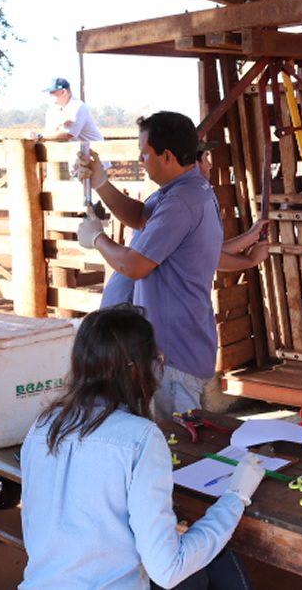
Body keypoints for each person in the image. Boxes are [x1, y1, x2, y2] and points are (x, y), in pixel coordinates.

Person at [19, 305, 265, 590]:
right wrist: (237, 495)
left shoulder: (43, 426)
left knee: (202, 570)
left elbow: (52, 529)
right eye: (156, 361)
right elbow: (168, 570)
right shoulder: (140, 437)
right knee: (217, 559)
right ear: (137, 369)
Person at [75, 111, 222, 422]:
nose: (141, 159)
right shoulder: (185, 190)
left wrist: (98, 239)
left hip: (174, 358)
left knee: (176, 453)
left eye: (144, 153)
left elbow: (134, 267)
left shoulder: (181, 201)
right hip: (179, 346)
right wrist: (101, 181)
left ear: (166, 156)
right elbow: (140, 216)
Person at [99, 143, 270, 308]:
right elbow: (210, 259)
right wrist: (249, 260)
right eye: (205, 157)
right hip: (129, 304)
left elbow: (201, 252)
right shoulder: (181, 203)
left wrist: (249, 238)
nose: (210, 165)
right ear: (193, 164)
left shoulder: (182, 195)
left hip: (132, 300)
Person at [25, 77, 103, 143]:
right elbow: (48, 133)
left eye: (53, 92)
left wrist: (38, 136)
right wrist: (58, 126)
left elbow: (67, 134)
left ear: (63, 92)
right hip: (74, 157)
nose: (50, 95)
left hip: (95, 157)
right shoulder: (51, 111)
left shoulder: (78, 106)